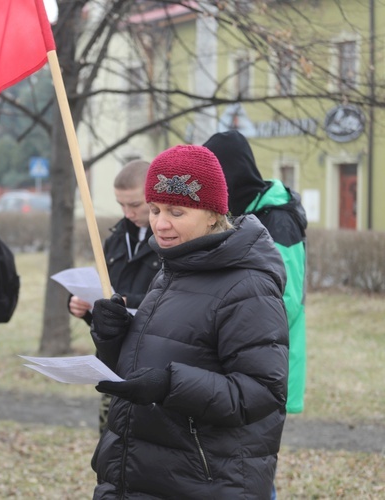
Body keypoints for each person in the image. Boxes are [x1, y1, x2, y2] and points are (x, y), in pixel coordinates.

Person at [90, 144, 289, 498]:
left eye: (176, 212)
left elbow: (261, 392)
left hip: (202, 482)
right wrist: (112, 338)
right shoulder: (172, 270)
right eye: (154, 209)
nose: (160, 223)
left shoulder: (248, 285)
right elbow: (145, 369)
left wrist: (169, 384)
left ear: (213, 214)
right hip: (139, 475)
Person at [203, 130, 308, 499]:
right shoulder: (242, 213)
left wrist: (227, 318)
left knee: (253, 469)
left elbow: (288, 298)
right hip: (238, 361)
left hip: (266, 363)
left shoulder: (277, 219)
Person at [67, 159, 161, 433]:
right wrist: (85, 308)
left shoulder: (168, 236)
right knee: (110, 442)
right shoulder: (116, 238)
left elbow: (167, 300)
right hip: (113, 360)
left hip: (151, 360)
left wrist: (123, 304)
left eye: (134, 204)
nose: (127, 212)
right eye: (121, 204)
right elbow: (104, 292)